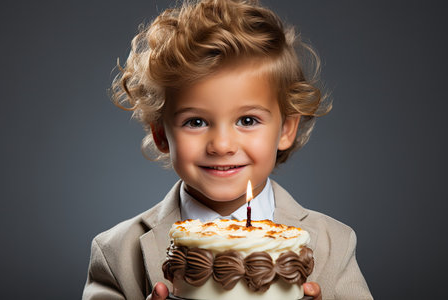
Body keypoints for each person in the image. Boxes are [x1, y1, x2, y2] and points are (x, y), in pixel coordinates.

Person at [83, 0, 373, 299]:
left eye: (247, 120)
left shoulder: (332, 242)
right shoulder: (116, 251)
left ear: (286, 129)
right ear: (161, 134)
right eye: (195, 122)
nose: (222, 145)